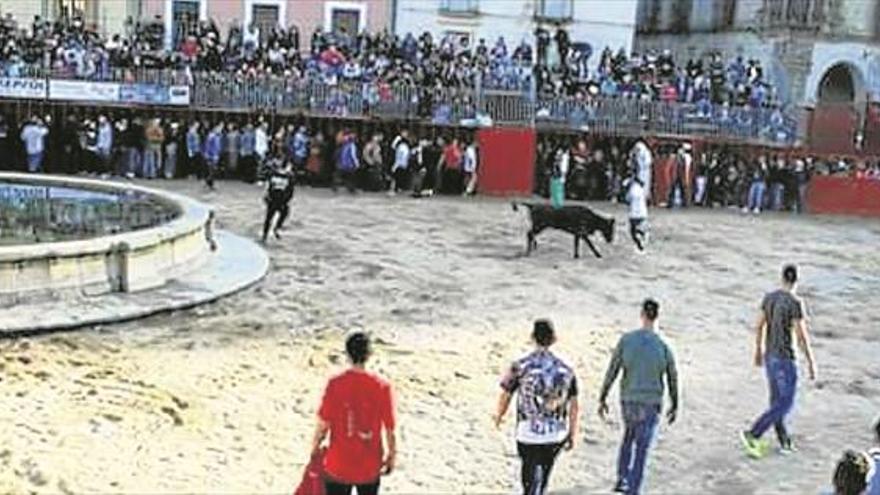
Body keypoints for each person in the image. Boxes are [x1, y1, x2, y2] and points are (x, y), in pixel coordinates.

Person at [599, 299, 678, 495]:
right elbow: (673, 377)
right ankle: (633, 489)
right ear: (657, 316)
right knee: (642, 448)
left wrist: (603, 396)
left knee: (628, 437)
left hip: (629, 400)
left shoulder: (627, 340)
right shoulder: (664, 346)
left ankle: (622, 478)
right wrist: (675, 403)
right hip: (651, 403)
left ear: (642, 314)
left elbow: (613, 370)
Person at [494, 320, 579, 495]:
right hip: (555, 433)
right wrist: (572, 433)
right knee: (544, 476)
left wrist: (499, 415)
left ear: (532, 337)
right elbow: (574, 405)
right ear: (554, 338)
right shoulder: (566, 369)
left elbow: (506, 394)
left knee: (530, 479)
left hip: (528, 432)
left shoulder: (520, 366)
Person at [741, 264, 817, 458]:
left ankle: (784, 441)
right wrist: (811, 361)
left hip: (770, 357)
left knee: (776, 402)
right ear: (796, 281)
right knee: (785, 403)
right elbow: (801, 335)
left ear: (782, 278)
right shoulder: (795, 303)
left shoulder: (770, 298)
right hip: (785, 359)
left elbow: (758, 326)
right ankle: (754, 433)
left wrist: (758, 350)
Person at [310, 332, 396, 495]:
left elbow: (323, 424)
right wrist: (392, 455)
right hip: (369, 465)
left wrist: (314, 448)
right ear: (369, 354)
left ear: (347, 354)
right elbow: (390, 428)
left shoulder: (335, 384)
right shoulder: (382, 386)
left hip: (338, 463)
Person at [261, 159, 295, 243]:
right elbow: (290, 190)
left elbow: (290, 190)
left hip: (276, 199)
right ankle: (273, 230)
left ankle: (270, 232)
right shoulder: (287, 176)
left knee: (272, 216)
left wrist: (266, 196)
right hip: (276, 199)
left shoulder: (286, 176)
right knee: (273, 216)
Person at [625, 176, 649, 253]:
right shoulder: (641, 189)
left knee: (633, 231)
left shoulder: (632, 190)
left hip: (634, 214)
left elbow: (627, 199)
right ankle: (643, 237)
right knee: (639, 229)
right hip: (643, 213)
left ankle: (640, 243)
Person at [389, 129, 411, 195]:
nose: (405, 134)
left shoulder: (406, 144)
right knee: (395, 176)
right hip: (398, 162)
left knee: (400, 176)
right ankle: (393, 189)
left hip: (403, 162)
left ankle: (398, 188)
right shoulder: (398, 140)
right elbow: (393, 147)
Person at [203, 123, 223, 190]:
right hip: (212, 156)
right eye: (219, 128)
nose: (220, 129)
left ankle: (209, 183)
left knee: (213, 170)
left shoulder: (217, 136)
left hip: (215, 155)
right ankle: (209, 183)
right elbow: (208, 146)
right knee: (212, 170)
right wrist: (210, 154)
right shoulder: (212, 136)